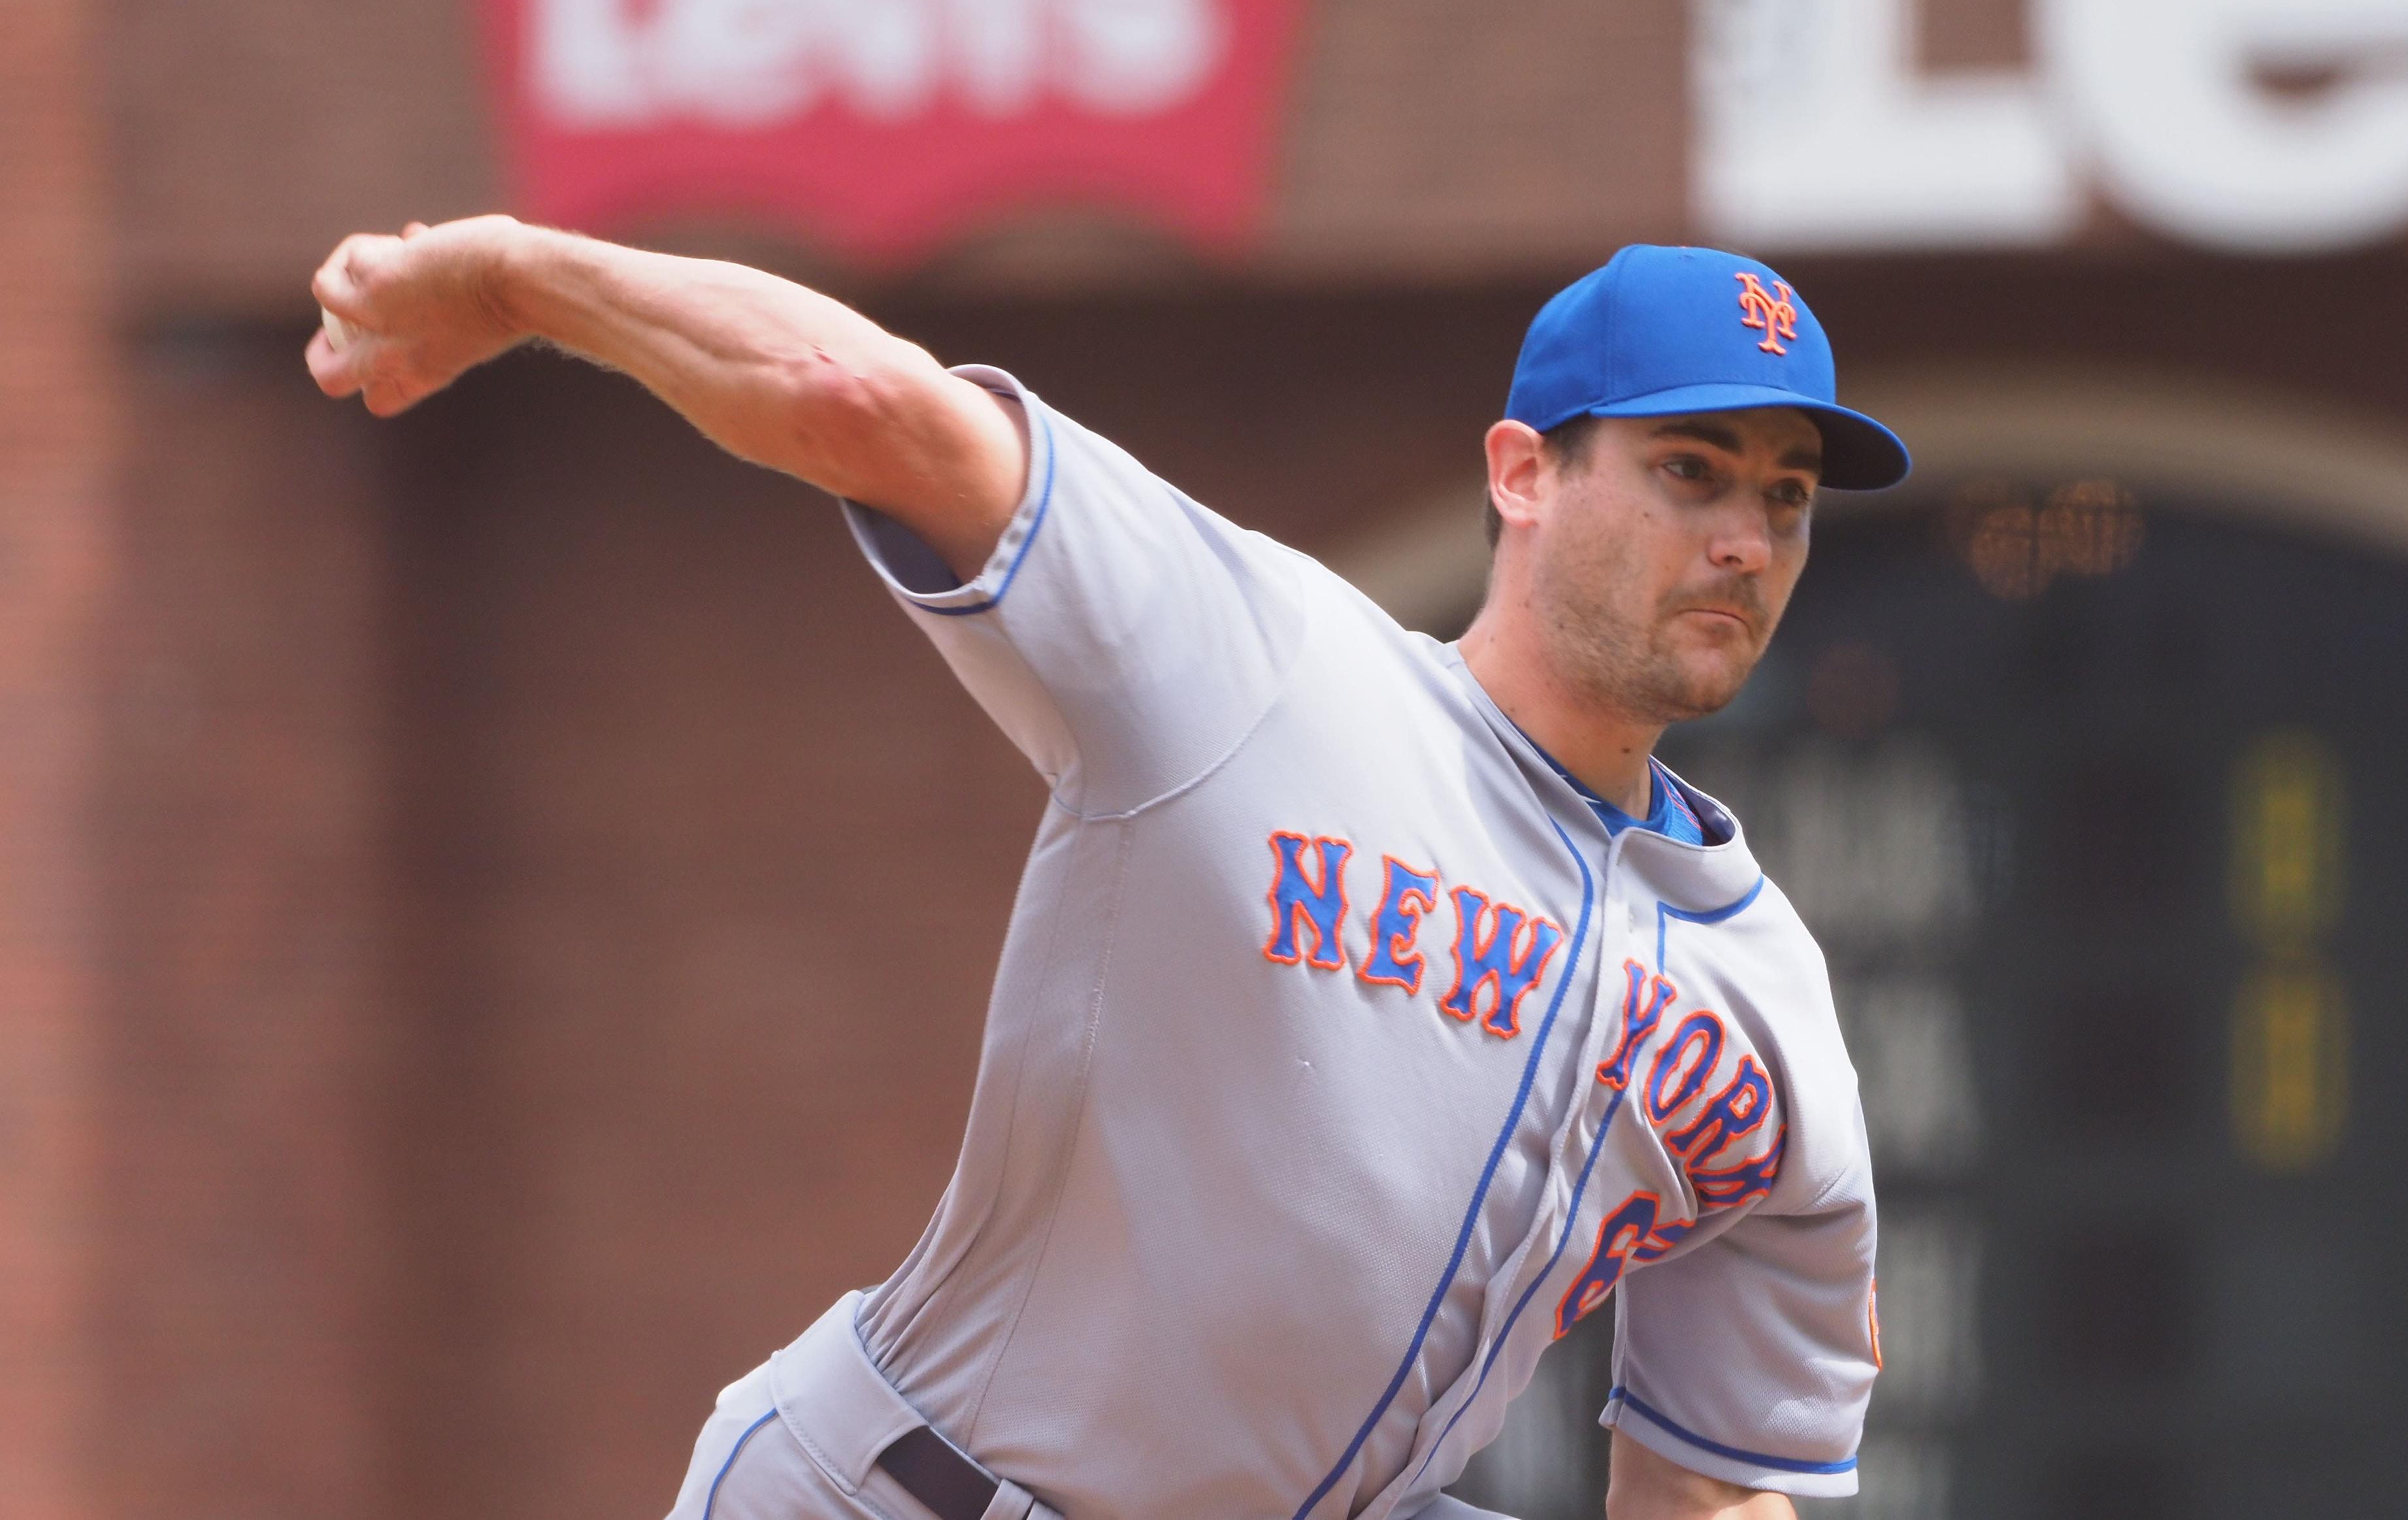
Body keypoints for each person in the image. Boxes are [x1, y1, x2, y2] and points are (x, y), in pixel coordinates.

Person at [305, 223, 1909, 1520]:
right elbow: (863, 401)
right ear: (1522, 473)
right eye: (1691, 470)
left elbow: (1714, 1489)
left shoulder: (1763, 1005)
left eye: (1784, 496)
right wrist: (511, 277)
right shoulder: (1270, 663)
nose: (1747, 541)